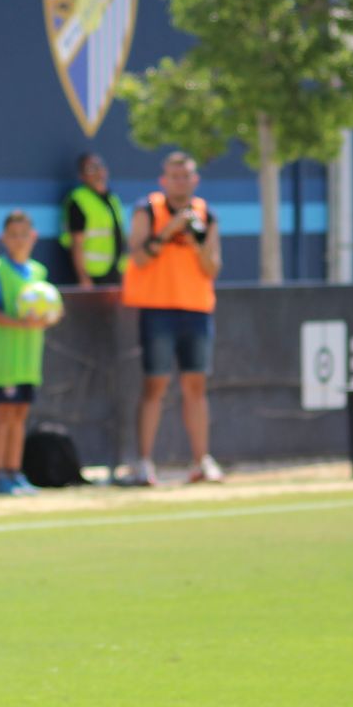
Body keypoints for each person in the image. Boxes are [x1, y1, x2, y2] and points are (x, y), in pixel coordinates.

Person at [120, 151, 224, 485]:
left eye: (186, 176)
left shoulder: (206, 215)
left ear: (195, 180)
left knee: (196, 385)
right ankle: (144, 463)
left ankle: (201, 462)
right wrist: (169, 230)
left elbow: (212, 267)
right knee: (156, 384)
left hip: (196, 308)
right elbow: (138, 258)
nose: (181, 182)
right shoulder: (147, 210)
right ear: (163, 180)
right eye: (174, 176)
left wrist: (196, 241)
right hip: (158, 308)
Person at [0, 210, 60, 495]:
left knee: (20, 415)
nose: (19, 240)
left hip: (28, 359)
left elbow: (49, 311)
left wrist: (50, 317)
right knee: (2, 414)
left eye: (24, 234)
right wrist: (22, 323)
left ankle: (14, 472)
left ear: (33, 237)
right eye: (13, 235)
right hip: (4, 359)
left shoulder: (39, 273)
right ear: (4, 238)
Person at [59, 152, 127, 288]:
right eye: (90, 169)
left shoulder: (113, 199)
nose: (97, 172)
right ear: (82, 176)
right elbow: (76, 243)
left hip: (115, 272)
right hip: (93, 275)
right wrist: (84, 278)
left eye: (99, 166)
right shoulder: (78, 200)